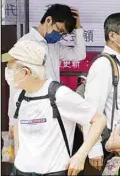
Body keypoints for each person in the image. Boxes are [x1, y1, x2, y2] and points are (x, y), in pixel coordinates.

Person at [2, 40, 106, 176]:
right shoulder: (19, 96)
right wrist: (18, 157)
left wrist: (80, 155)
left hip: (52, 172)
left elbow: (99, 119)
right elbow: (17, 126)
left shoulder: (59, 94)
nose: (7, 73)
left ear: (26, 72)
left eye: (10, 68)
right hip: (20, 171)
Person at [5, 4, 86, 139]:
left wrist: (78, 29)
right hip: (31, 112)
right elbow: (16, 86)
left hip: (52, 110)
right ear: (48, 20)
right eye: (59, 29)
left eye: (63, 34)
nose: (59, 35)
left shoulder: (54, 46)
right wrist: (13, 121)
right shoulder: (25, 43)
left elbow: (79, 54)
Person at [82, 12, 120, 171]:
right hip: (111, 146)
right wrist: (94, 149)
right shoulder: (103, 65)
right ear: (112, 35)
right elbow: (92, 110)